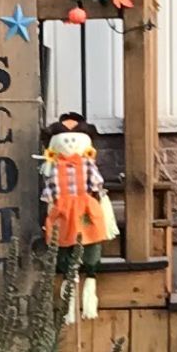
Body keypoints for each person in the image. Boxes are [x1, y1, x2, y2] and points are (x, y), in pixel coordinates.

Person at [40, 112, 116, 323]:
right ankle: (69, 290)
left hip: (84, 210)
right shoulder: (54, 167)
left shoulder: (87, 165)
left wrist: (102, 205)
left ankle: (90, 278)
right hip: (63, 211)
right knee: (64, 240)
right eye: (66, 139)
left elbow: (97, 186)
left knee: (88, 236)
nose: (70, 143)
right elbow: (50, 192)